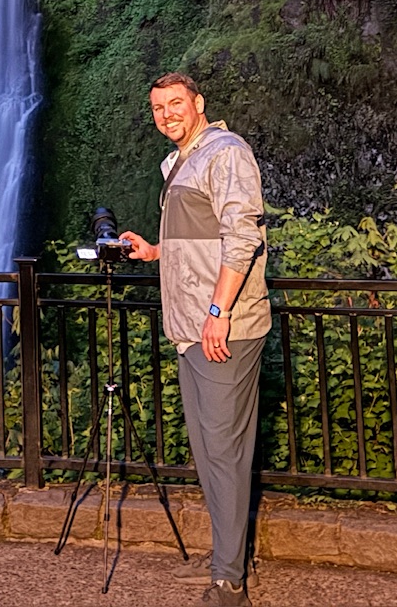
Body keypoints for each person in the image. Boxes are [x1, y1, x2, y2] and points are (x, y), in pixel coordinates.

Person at [119, 71, 270, 606]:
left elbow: (243, 235)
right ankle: (226, 561)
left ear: (199, 103)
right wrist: (156, 251)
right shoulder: (182, 161)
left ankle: (230, 586)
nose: (167, 115)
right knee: (209, 452)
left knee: (224, 453)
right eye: (158, 108)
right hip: (189, 328)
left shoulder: (225, 152)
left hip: (222, 328)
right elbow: (202, 239)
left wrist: (218, 311)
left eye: (176, 104)